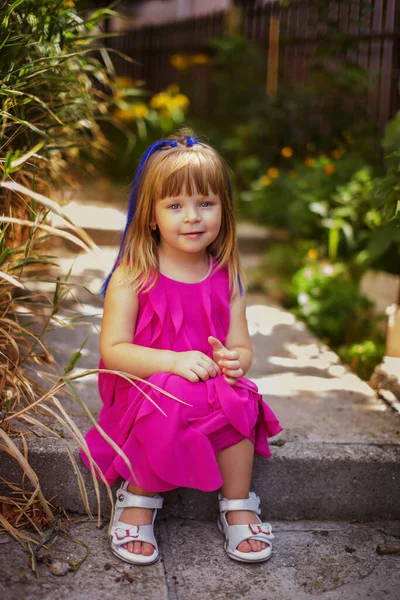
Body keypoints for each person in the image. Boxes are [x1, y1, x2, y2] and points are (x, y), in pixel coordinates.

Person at [80, 129, 283, 566]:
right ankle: (138, 497)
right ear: (150, 216)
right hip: (144, 386)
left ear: (223, 211)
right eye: (175, 206)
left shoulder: (226, 276)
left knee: (243, 396)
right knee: (169, 398)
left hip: (207, 384)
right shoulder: (133, 274)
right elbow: (114, 350)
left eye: (205, 203)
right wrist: (172, 361)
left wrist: (233, 362)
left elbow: (241, 349)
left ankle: (237, 504)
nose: (192, 217)